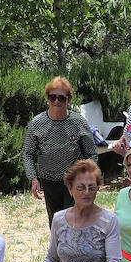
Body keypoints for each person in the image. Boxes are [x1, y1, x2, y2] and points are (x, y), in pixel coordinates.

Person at [22, 77, 96, 226]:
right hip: (48, 180)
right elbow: (28, 153)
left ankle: (75, 248)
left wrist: (89, 178)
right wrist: (33, 178)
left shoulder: (78, 122)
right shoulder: (37, 123)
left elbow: (91, 153)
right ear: (47, 98)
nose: (56, 101)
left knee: (74, 220)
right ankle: (58, 249)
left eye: (61, 98)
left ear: (68, 100)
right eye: (52, 97)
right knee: (55, 221)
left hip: (74, 180)